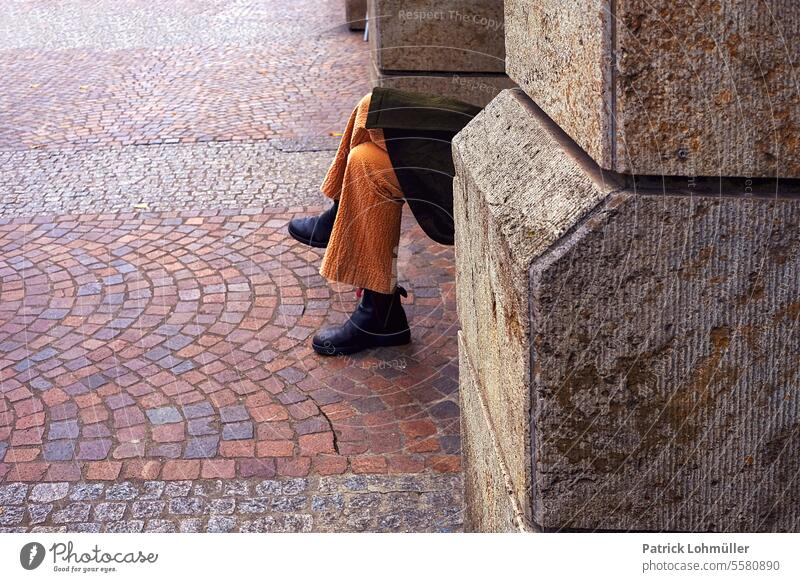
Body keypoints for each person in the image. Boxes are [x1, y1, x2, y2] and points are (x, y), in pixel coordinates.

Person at [288, 87, 482, 356]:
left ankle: (336, 217)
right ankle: (382, 312)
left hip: (500, 155)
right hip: (496, 125)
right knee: (364, 161)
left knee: (372, 110)